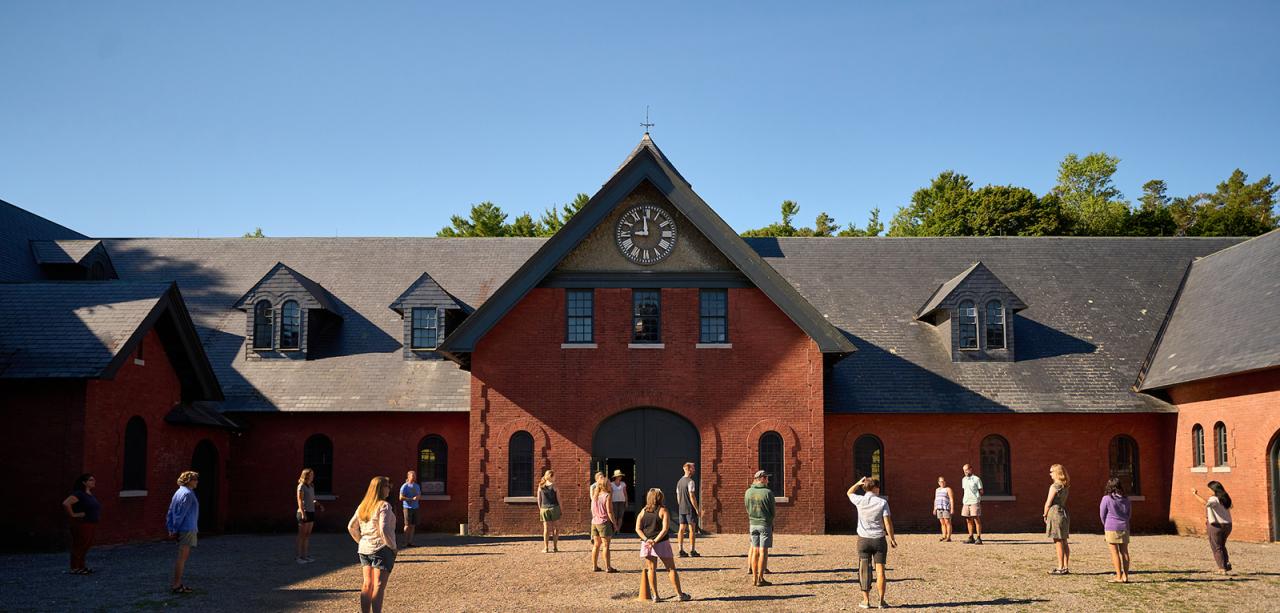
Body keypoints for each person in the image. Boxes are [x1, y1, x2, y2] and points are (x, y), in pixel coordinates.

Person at [348, 476, 398, 613]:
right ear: (381, 488)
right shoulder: (384, 505)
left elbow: (351, 527)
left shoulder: (363, 505)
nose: (389, 489)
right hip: (381, 548)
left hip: (364, 548)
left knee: (367, 585)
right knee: (378, 586)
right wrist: (393, 547)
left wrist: (361, 541)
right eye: (388, 486)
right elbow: (384, 529)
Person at [634, 488, 691, 603]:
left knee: (651, 569)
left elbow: (637, 528)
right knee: (670, 568)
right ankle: (680, 594)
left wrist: (647, 540)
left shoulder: (643, 511)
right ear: (660, 497)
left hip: (647, 544)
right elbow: (665, 529)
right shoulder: (663, 510)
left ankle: (655, 596)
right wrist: (655, 541)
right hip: (662, 543)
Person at [848, 477, 896, 609]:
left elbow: (849, 492)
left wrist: (858, 483)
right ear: (875, 488)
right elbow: (887, 522)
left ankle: (866, 600)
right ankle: (881, 601)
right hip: (879, 539)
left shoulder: (859, 500)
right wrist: (892, 538)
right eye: (878, 487)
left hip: (863, 539)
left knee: (864, 569)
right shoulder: (882, 502)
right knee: (880, 571)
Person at [165, 470, 200, 594]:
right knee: (182, 558)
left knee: (181, 558)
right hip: (187, 529)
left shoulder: (178, 492)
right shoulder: (188, 494)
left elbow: (171, 511)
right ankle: (177, 585)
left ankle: (177, 584)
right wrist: (174, 529)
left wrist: (170, 527)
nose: (197, 481)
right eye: (195, 479)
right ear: (188, 481)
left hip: (184, 528)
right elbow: (180, 514)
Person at [1191, 481, 1233, 574]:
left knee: (1216, 546)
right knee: (1222, 545)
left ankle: (1222, 568)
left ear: (1214, 490)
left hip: (1216, 525)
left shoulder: (1214, 499)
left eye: (1209, 489)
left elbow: (1206, 503)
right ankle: (1226, 564)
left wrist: (1195, 494)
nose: (1208, 491)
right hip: (1228, 525)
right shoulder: (1226, 498)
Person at [61, 473, 100, 575]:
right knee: (79, 544)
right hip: (82, 524)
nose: (93, 482)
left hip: (91, 523)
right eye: (91, 480)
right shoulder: (79, 494)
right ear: (84, 482)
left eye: (93, 480)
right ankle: (74, 568)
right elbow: (66, 503)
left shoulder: (89, 494)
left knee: (86, 545)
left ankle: (81, 566)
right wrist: (73, 514)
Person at [745, 470, 777, 588]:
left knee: (755, 549)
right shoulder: (768, 492)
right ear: (761, 479)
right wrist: (770, 520)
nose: (768, 480)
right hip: (764, 524)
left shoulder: (748, 492)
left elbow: (747, 507)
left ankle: (754, 577)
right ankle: (760, 578)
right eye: (766, 478)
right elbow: (773, 511)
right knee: (763, 551)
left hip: (753, 523)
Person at [1099, 477, 1132, 583]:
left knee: (1114, 553)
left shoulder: (1106, 498)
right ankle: (1125, 576)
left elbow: (1102, 514)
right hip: (1124, 527)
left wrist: (1106, 524)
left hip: (1111, 526)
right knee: (1125, 552)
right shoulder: (1126, 499)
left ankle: (1118, 576)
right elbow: (1129, 514)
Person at [1044, 464, 1071, 575]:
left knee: (1058, 541)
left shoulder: (1055, 486)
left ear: (1056, 472)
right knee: (1064, 540)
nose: (1050, 474)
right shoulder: (1065, 485)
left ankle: (1060, 567)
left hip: (1055, 513)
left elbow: (1048, 502)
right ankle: (1065, 566)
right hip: (1063, 512)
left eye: (1051, 471)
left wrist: (1045, 514)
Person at [589, 471, 617, 573]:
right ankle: (608, 567)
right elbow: (610, 512)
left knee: (596, 545)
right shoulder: (607, 496)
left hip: (594, 522)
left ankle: (594, 566)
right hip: (604, 523)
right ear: (605, 485)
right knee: (606, 545)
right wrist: (615, 523)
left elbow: (592, 510)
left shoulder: (595, 496)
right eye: (609, 484)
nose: (611, 485)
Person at [296, 468, 325, 564]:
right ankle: (299, 557)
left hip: (311, 511)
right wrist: (303, 513)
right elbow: (300, 500)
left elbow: (312, 499)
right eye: (311, 474)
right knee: (302, 536)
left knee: (307, 535)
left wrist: (319, 505)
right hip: (304, 512)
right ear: (306, 475)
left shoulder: (311, 486)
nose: (313, 476)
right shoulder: (301, 486)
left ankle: (305, 556)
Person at [676, 462, 701, 558]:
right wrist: (696, 509)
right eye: (693, 468)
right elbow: (692, 496)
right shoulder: (691, 482)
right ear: (689, 469)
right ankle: (692, 550)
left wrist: (680, 505)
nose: (694, 470)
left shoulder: (679, 482)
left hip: (681, 508)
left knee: (681, 529)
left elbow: (678, 496)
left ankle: (680, 550)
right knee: (692, 529)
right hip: (689, 508)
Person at [537, 470, 561, 553]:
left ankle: (546, 548)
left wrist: (540, 509)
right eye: (554, 476)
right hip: (554, 508)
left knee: (546, 529)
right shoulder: (555, 486)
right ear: (550, 476)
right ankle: (555, 547)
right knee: (556, 528)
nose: (555, 478)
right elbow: (559, 499)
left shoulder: (540, 486)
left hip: (544, 509)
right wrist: (561, 509)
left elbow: (539, 499)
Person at [960, 464, 984, 545]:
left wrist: (977, 498)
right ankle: (971, 537)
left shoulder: (977, 479)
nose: (965, 471)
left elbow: (981, 491)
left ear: (971, 469)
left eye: (966, 469)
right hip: (966, 502)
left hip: (974, 501)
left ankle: (979, 538)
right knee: (968, 520)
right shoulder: (963, 479)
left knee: (976, 519)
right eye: (964, 470)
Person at [399, 471, 421, 548]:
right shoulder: (405, 486)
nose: (414, 477)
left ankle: (410, 542)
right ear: (408, 477)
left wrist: (418, 497)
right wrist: (410, 499)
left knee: (413, 525)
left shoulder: (417, 486)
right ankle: (405, 542)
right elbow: (401, 497)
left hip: (416, 507)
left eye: (415, 475)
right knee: (407, 525)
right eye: (412, 476)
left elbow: (419, 495)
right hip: (407, 508)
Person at [934, 476, 954, 542]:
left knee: (947, 522)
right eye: (940, 481)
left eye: (943, 481)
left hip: (946, 508)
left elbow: (951, 499)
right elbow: (935, 499)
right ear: (938, 482)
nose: (942, 483)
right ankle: (944, 536)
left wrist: (952, 508)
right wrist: (934, 508)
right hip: (939, 508)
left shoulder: (948, 489)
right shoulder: (937, 490)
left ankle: (948, 537)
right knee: (942, 522)